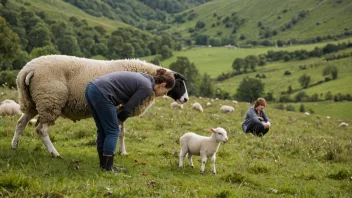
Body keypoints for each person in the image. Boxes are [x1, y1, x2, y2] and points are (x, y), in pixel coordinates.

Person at [85, 69, 175, 171]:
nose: (164, 95)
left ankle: (104, 166)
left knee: (102, 129)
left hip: (92, 87)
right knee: (113, 131)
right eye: (166, 92)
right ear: (162, 85)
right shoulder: (147, 87)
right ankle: (108, 168)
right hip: (102, 92)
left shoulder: (145, 77)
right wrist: (120, 120)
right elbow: (129, 108)